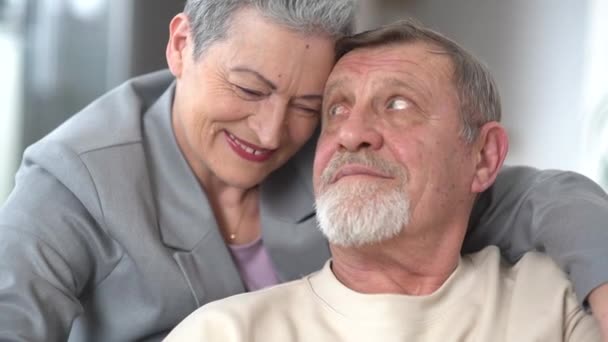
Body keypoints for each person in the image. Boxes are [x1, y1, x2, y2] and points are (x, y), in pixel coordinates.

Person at [0, 1, 607, 341]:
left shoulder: (342, 147)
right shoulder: (69, 185)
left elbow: (533, 196)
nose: (270, 133)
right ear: (181, 45)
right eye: (247, 88)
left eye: (310, 106)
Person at [164, 19, 602, 341]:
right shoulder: (224, 333)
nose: (351, 135)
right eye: (335, 110)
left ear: (484, 158)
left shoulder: (558, 307)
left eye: (397, 104)